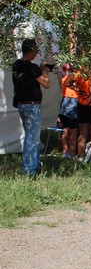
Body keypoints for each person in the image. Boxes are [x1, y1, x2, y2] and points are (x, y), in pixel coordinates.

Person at [11, 39, 50, 175]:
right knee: (32, 138)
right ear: (32, 51)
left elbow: (28, 78)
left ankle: (34, 165)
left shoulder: (16, 65)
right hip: (32, 106)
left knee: (30, 136)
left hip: (22, 105)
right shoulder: (32, 67)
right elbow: (46, 84)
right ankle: (29, 170)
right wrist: (45, 71)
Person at [68, 66, 91, 162]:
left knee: (82, 133)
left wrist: (77, 90)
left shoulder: (78, 74)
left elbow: (68, 83)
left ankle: (80, 157)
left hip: (81, 104)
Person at [57, 63, 79, 158]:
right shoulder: (74, 77)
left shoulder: (63, 78)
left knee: (66, 130)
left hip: (64, 102)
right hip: (73, 101)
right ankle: (72, 152)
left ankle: (65, 152)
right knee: (74, 130)